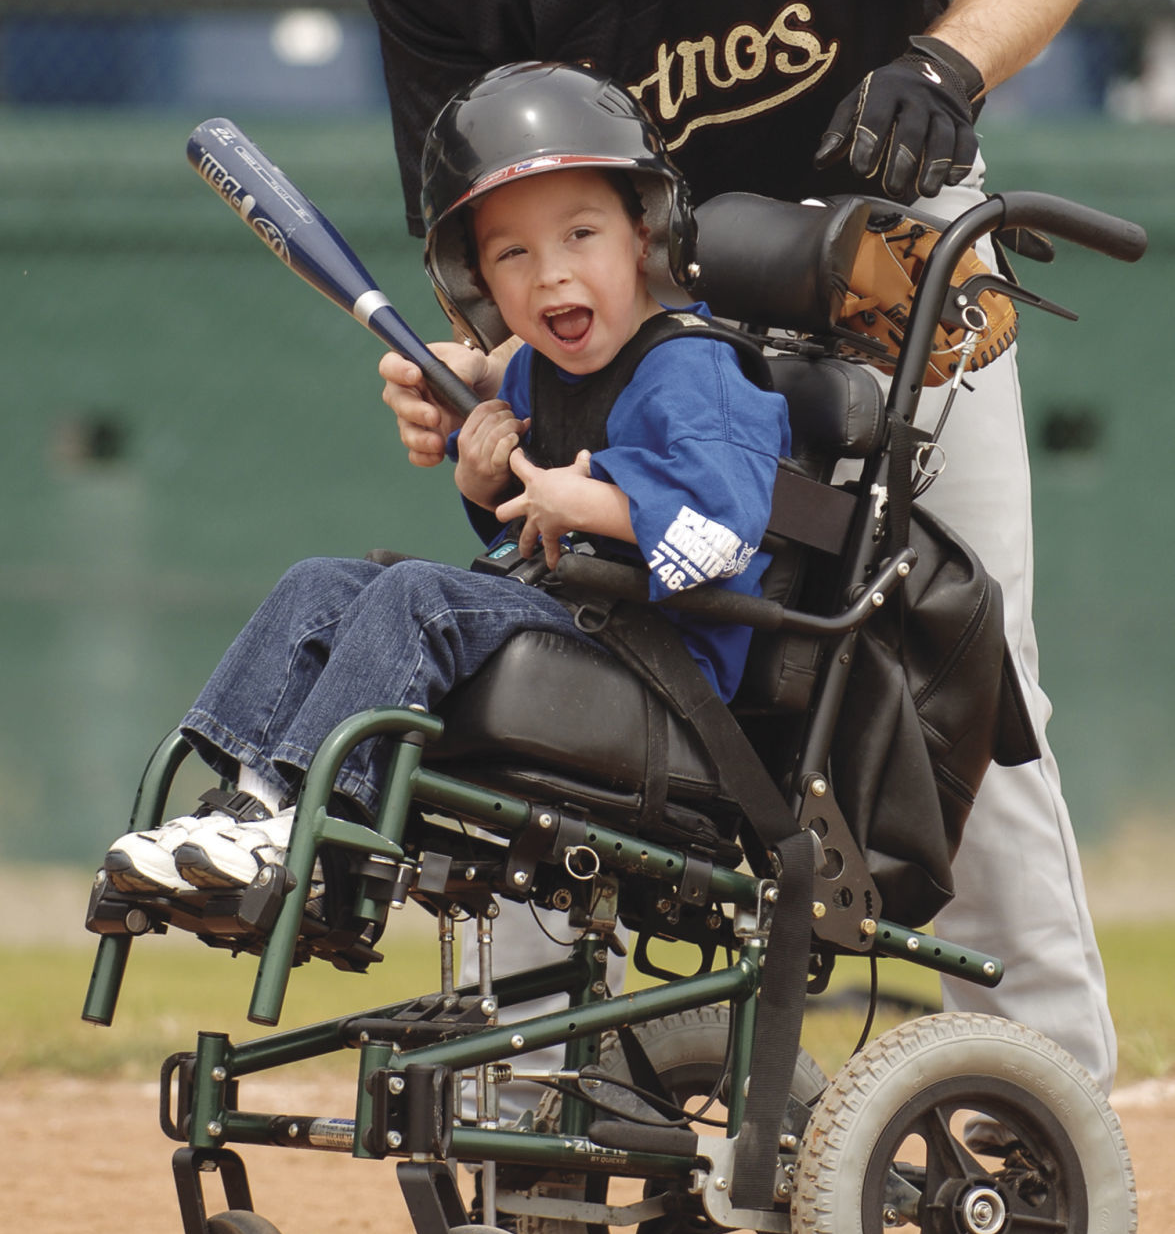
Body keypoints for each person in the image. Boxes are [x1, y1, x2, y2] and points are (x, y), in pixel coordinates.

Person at [353, 0, 1117, 1093]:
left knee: (955, 673)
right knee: (562, 639)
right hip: (632, 326)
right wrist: (478, 383)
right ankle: (544, 1092)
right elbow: (490, 248)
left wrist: (944, 62)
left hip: (877, 274)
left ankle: (1036, 1090)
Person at [102, 60, 790, 895]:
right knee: (319, 584)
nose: (551, 274)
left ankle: (322, 826)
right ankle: (250, 806)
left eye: (581, 235)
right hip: (576, 616)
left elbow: (720, 535)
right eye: (513, 254)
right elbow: (526, 535)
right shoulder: (537, 371)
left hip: (661, 665)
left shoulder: (695, 369)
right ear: (481, 282)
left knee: (419, 596)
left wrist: (579, 498)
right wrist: (482, 480)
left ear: (642, 233)